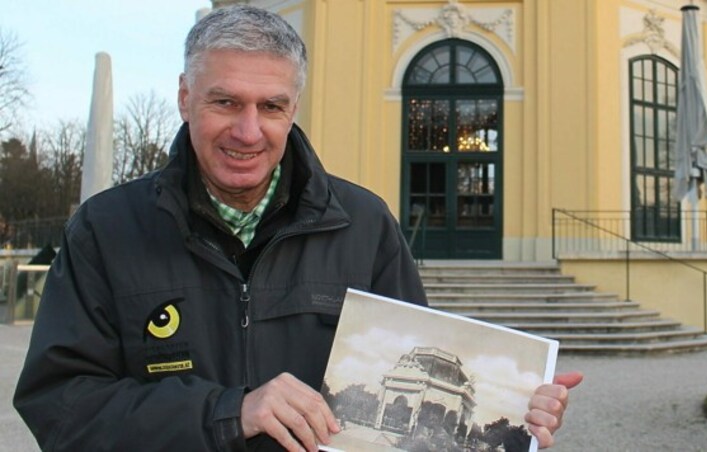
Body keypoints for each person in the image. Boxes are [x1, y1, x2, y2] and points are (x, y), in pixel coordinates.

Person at [14, 5, 582, 451]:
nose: (247, 130)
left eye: (271, 106)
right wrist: (228, 413)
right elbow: (61, 408)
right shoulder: (106, 230)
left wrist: (510, 420)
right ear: (185, 98)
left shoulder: (365, 226)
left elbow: (411, 419)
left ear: (294, 108)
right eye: (225, 101)